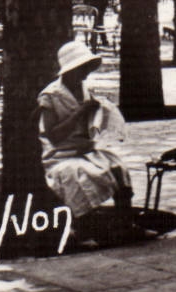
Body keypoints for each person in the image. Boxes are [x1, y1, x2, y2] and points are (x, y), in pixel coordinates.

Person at [38, 41, 133, 221]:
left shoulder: (83, 89)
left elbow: (90, 124)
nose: (85, 74)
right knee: (79, 174)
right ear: (69, 69)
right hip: (60, 153)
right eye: (81, 68)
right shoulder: (50, 95)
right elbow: (54, 136)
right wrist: (80, 111)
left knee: (118, 167)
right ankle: (83, 225)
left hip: (85, 148)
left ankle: (125, 220)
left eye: (86, 68)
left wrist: (101, 112)